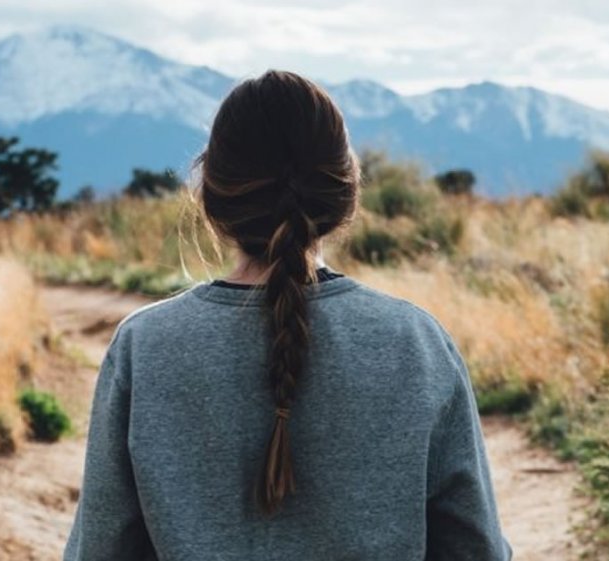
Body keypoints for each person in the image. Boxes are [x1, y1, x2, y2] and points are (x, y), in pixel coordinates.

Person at [62, 69, 512, 561]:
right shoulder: (415, 342)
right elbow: (476, 549)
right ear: (345, 191)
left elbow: (101, 550)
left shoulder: (145, 347)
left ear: (211, 194)